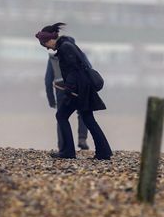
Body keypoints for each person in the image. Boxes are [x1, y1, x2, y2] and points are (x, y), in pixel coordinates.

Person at [35, 23, 112, 160]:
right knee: (88, 119)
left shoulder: (65, 48)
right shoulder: (66, 45)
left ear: (51, 39)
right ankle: (104, 152)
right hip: (82, 88)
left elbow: (74, 70)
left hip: (78, 90)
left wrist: (69, 89)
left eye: (45, 43)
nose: (47, 47)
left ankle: (68, 152)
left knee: (61, 116)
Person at [45, 53, 89, 152]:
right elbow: (89, 68)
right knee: (82, 113)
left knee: (61, 116)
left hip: (61, 88)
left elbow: (48, 80)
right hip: (79, 86)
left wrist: (51, 100)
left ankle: (62, 145)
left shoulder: (53, 57)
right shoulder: (79, 53)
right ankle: (82, 139)